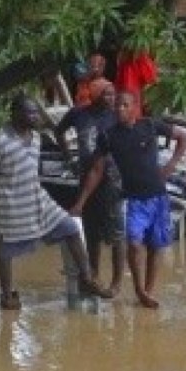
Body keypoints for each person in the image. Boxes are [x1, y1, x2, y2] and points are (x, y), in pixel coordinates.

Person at [0, 94, 112, 310]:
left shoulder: (37, 138)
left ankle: (87, 279)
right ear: (15, 114)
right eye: (30, 112)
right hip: (10, 203)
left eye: (36, 112)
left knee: (70, 227)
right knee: (6, 251)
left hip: (37, 197)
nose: (35, 116)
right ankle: (7, 296)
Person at [70, 90, 186, 309]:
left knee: (155, 246)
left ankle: (148, 291)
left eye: (124, 105)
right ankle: (139, 289)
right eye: (117, 106)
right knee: (133, 245)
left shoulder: (150, 125)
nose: (119, 109)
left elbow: (184, 137)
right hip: (134, 200)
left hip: (158, 197)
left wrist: (171, 164)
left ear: (135, 106)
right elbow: (96, 170)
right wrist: (81, 202)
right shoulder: (109, 135)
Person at [54, 79, 125, 296]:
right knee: (91, 232)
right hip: (86, 176)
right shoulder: (78, 114)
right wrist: (68, 156)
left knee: (116, 235)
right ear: (94, 95)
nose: (111, 99)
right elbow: (59, 131)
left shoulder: (116, 116)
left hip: (113, 179)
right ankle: (93, 275)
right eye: (106, 95)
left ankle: (116, 283)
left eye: (113, 94)